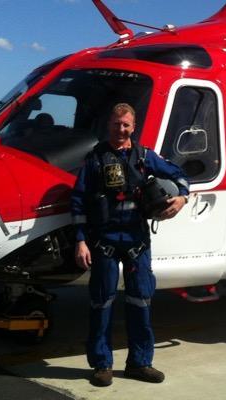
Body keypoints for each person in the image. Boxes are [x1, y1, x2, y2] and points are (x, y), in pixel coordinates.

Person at [71, 103, 189, 387]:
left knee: (141, 301)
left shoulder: (145, 157)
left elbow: (179, 175)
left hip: (137, 242)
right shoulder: (95, 159)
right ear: (109, 125)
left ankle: (140, 363)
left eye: (125, 125)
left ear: (133, 127)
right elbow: (78, 201)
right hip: (105, 243)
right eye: (116, 124)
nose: (120, 129)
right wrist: (80, 241)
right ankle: (102, 365)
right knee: (101, 303)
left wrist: (183, 197)